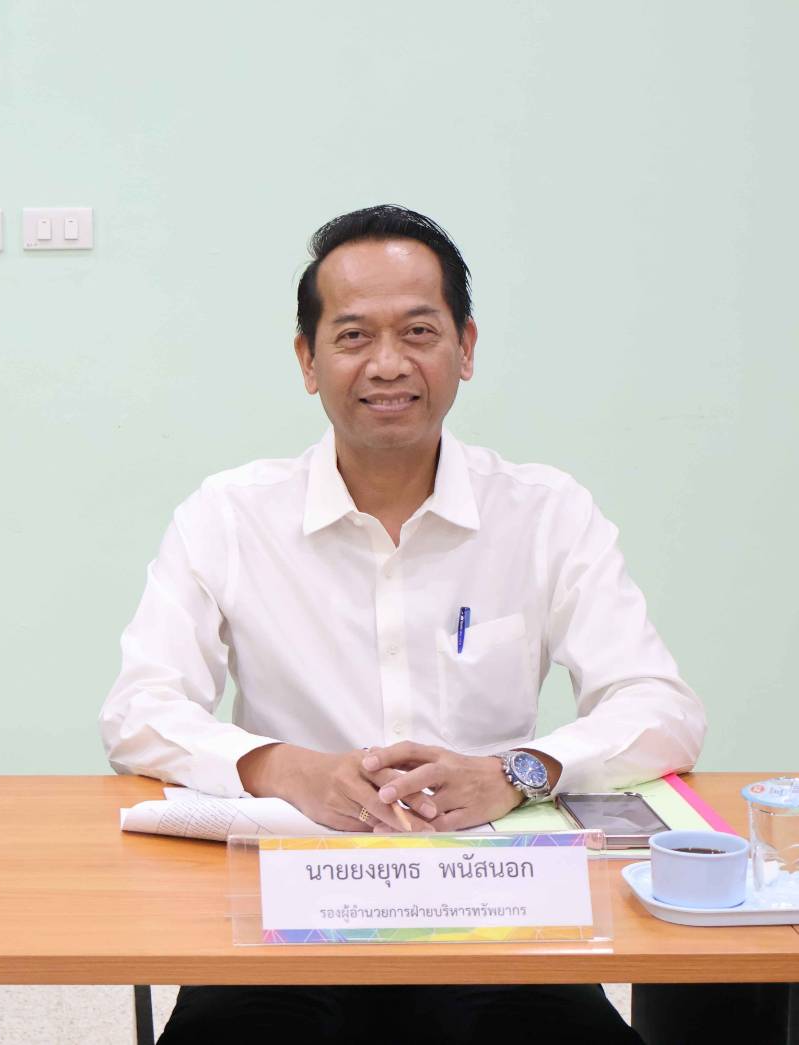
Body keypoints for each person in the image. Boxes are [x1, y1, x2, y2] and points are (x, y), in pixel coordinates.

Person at [99, 205, 705, 1043]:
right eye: (353, 336)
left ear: (465, 347)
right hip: (294, 896)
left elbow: (659, 705)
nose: (387, 364)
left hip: (491, 901)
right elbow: (139, 709)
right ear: (307, 360)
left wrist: (515, 770)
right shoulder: (229, 515)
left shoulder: (543, 512)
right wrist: (286, 769)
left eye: (418, 331)